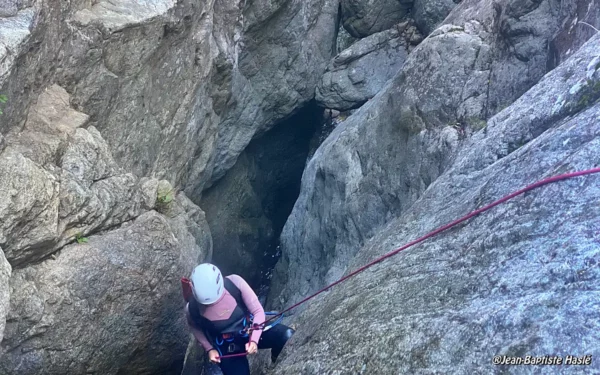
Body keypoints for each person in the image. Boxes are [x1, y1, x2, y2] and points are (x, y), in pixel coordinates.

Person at [185, 263, 295, 374]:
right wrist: (210, 349)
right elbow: (195, 328)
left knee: (286, 336)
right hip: (227, 348)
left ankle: (276, 365)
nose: (212, 304)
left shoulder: (234, 283)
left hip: (249, 329)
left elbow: (257, 311)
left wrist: (254, 340)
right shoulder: (192, 308)